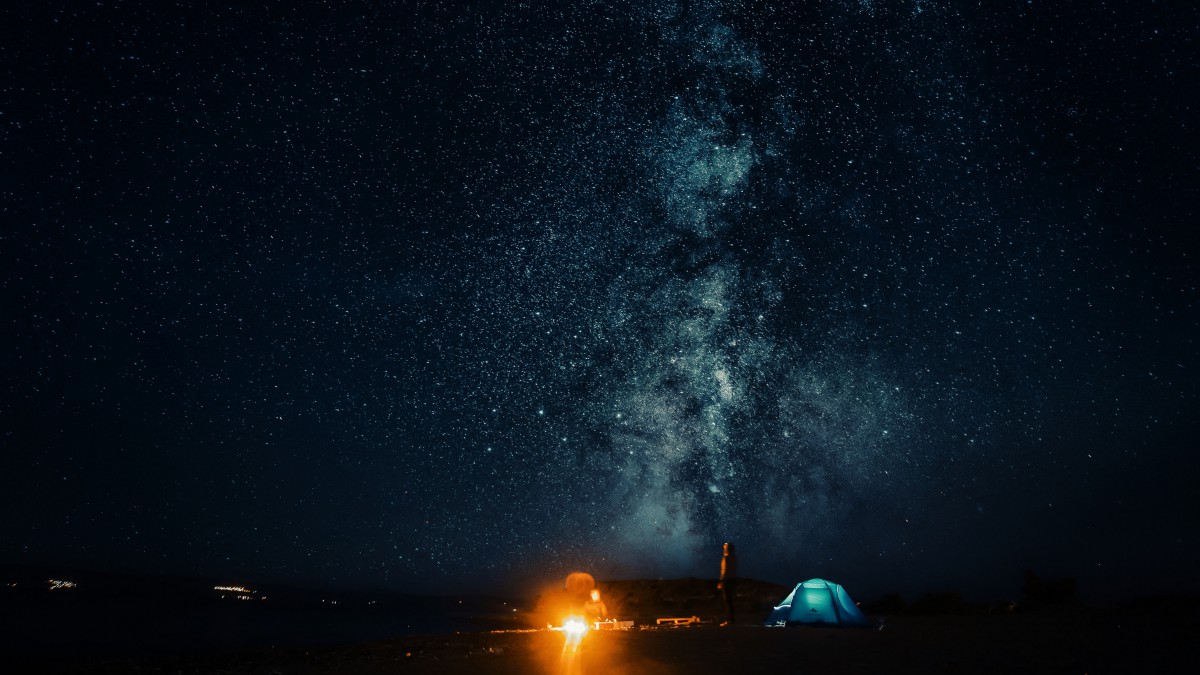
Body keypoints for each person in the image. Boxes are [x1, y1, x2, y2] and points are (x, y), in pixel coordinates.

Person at [717, 542, 737, 626]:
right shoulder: (734, 558)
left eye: (725, 548)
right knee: (730, 601)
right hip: (732, 580)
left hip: (726, 580)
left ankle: (729, 621)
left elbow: (724, 571)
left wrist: (721, 581)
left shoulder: (726, 558)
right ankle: (732, 620)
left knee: (727, 601)